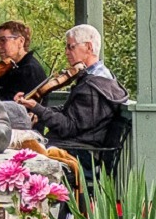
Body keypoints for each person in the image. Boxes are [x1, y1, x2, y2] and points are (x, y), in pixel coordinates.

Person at [13, 25, 130, 172]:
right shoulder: (98, 78)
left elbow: (69, 127)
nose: (66, 52)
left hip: (80, 154)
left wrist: (38, 108)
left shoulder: (92, 88)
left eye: (70, 47)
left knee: (19, 154)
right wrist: (39, 112)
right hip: (77, 146)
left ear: (88, 47)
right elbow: (70, 112)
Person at [0, 21, 48, 102]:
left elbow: (8, 105)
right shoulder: (11, 66)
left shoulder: (30, 70)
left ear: (20, 41)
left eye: (3, 40)